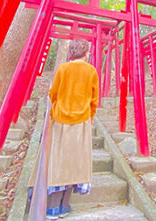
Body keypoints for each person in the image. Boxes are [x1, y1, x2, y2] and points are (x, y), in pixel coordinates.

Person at [31, 39, 99, 219]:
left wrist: (54, 109)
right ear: (86, 53)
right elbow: (94, 99)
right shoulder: (91, 71)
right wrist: (91, 117)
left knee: (58, 160)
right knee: (76, 162)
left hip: (60, 119)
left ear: (72, 52)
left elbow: (53, 93)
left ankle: (52, 207)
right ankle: (64, 204)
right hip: (82, 120)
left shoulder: (63, 69)